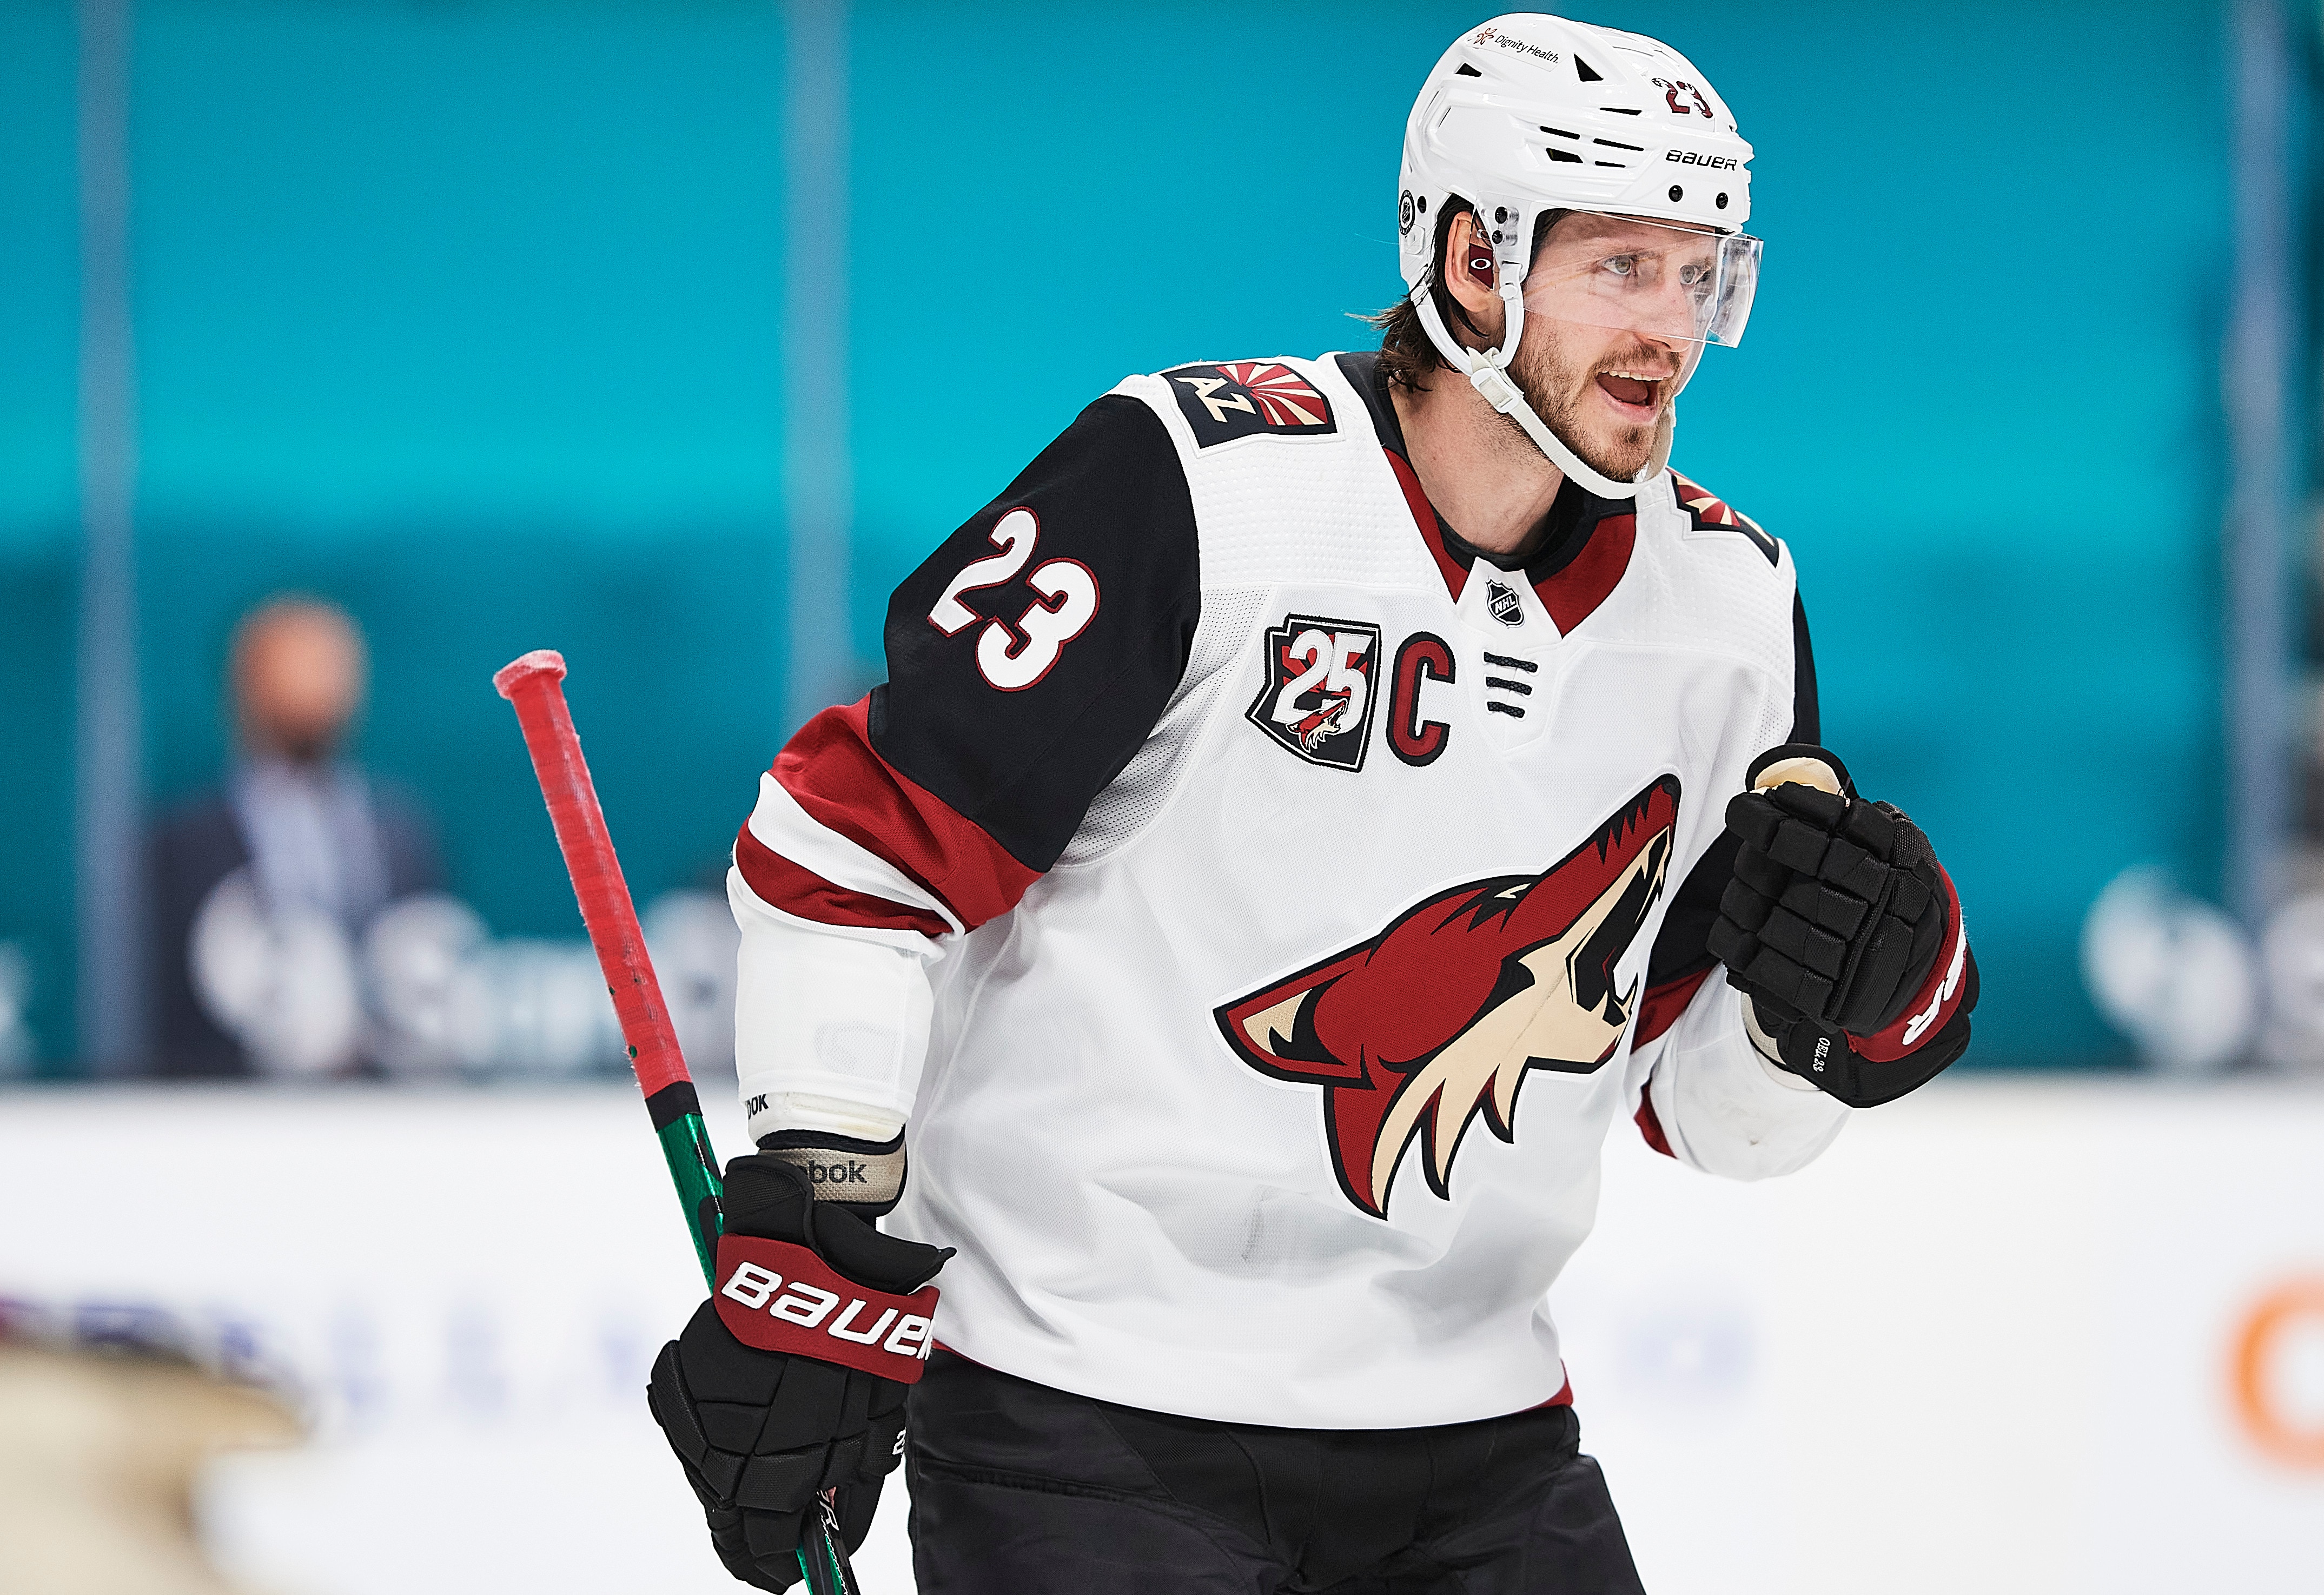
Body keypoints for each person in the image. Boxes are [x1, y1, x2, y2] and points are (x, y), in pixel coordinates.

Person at [646, 16, 1978, 1592]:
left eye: (1698, 273)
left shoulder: (1732, 613)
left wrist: (1830, 1015)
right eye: (1619, 266)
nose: (1668, 328)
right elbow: (852, 839)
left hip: (1478, 1449)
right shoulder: (1195, 484)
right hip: (1081, 1423)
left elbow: (1685, 1100)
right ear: (1473, 260)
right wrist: (816, 1204)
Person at [147, 597, 442, 1076]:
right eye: (294, 665)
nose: (317, 685)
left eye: (332, 666)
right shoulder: (183, 842)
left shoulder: (402, 828)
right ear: (245, 683)